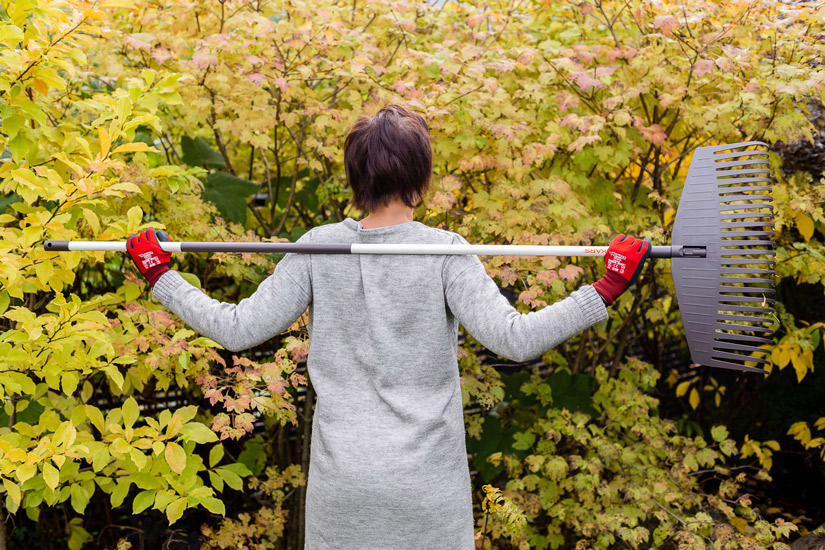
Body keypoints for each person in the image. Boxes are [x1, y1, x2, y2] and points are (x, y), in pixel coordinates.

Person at [126, 104, 651, 549]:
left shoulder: (320, 244)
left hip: (344, 490)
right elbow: (515, 339)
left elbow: (237, 328)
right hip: (426, 494)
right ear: (420, 177)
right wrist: (603, 289)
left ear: (356, 178)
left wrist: (161, 276)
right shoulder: (443, 252)